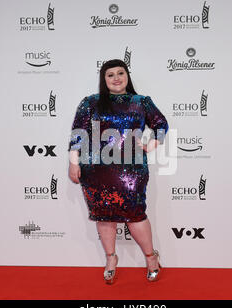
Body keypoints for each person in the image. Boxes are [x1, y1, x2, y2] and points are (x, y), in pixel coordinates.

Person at [68, 59, 169, 284]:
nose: (116, 78)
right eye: (110, 74)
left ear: (127, 76)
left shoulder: (141, 102)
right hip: (96, 169)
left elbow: (161, 124)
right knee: (103, 215)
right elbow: (78, 133)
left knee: (135, 215)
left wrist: (152, 144)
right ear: (103, 79)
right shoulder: (90, 102)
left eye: (120, 73)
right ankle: (111, 258)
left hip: (132, 170)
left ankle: (151, 257)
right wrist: (74, 162)